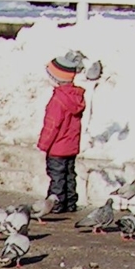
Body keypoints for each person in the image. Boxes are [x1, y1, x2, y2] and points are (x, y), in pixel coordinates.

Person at [37, 51, 87, 214]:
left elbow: (52, 125)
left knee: (57, 176)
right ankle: (70, 202)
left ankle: (56, 204)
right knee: (69, 175)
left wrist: (43, 145)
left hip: (57, 148)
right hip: (71, 146)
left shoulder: (58, 100)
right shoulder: (76, 97)